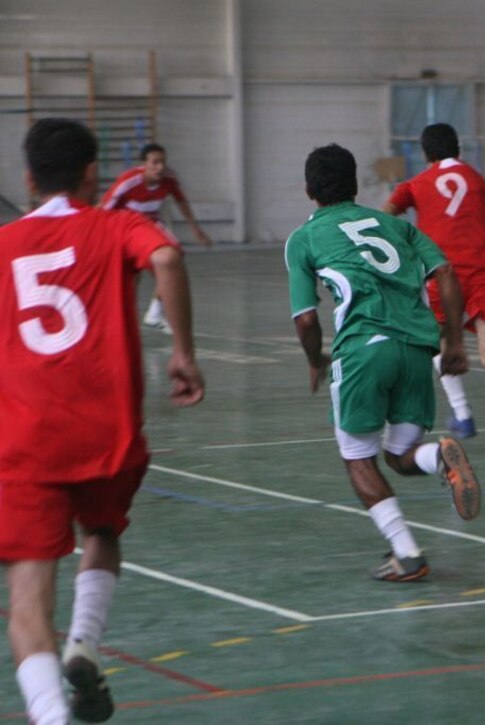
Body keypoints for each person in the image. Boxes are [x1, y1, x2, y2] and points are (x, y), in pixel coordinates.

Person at [1, 119, 204, 725]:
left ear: (29, 178)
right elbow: (167, 256)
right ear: (93, 173)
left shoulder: (5, 243)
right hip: (107, 432)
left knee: (28, 592)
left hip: (26, 437)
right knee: (102, 534)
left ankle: (51, 716)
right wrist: (184, 353)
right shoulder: (118, 225)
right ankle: (85, 643)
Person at [288, 143, 482, 581]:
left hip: (362, 349)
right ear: (357, 185)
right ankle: (439, 457)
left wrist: (315, 359)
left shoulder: (304, 237)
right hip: (416, 350)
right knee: (400, 454)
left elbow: (304, 319)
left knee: (359, 458)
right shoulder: (395, 226)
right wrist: (453, 342)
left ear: (308, 190)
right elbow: (445, 274)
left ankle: (407, 554)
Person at [384, 123, 485, 436]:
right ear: (458, 150)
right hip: (484, 271)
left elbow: (386, 216)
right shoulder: (480, 183)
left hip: (442, 276)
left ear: (426, 154)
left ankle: (463, 415)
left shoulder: (416, 184)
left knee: (437, 347)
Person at [100, 143, 212, 333]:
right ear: (144, 164)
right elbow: (103, 210)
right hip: (127, 226)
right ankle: (124, 320)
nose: (160, 167)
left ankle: (155, 313)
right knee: (131, 276)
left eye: (163, 162)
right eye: (155, 162)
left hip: (152, 223)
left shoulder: (169, 179)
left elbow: (181, 201)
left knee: (174, 258)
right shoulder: (128, 182)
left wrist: (195, 227)